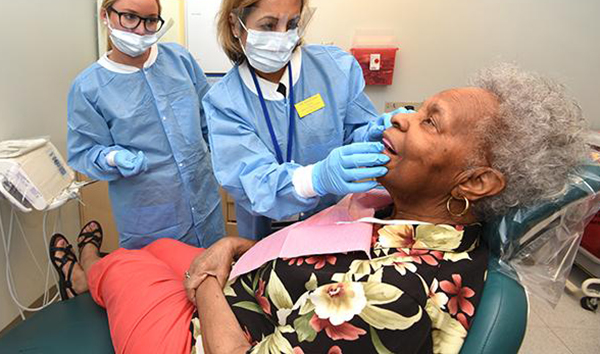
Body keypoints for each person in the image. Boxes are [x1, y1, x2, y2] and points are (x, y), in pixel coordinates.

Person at [51, 65, 588, 353]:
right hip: (251, 284)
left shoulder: (392, 293)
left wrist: (205, 283)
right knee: (165, 247)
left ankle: (84, 274)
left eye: (429, 120)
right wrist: (236, 247)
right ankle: (104, 271)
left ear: (477, 181)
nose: (397, 117)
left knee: (131, 262)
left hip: (212, 336)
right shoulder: (395, 208)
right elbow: (309, 250)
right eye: (415, 107)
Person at [203, 0, 403, 240]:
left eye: (292, 23)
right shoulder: (225, 102)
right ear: (235, 25)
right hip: (265, 234)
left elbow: (355, 137)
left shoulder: (334, 68)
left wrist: (372, 135)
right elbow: (254, 182)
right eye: (269, 24)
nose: (283, 36)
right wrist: (317, 178)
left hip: (339, 222)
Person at [67, 0, 224, 249]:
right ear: (106, 15)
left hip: (205, 203)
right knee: (162, 287)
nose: (141, 30)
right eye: (129, 17)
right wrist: (113, 157)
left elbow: (211, 120)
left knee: (213, 278)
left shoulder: (179, 60)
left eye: (151, 20)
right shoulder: (88, 87)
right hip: (150, 219)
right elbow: (83, 152)